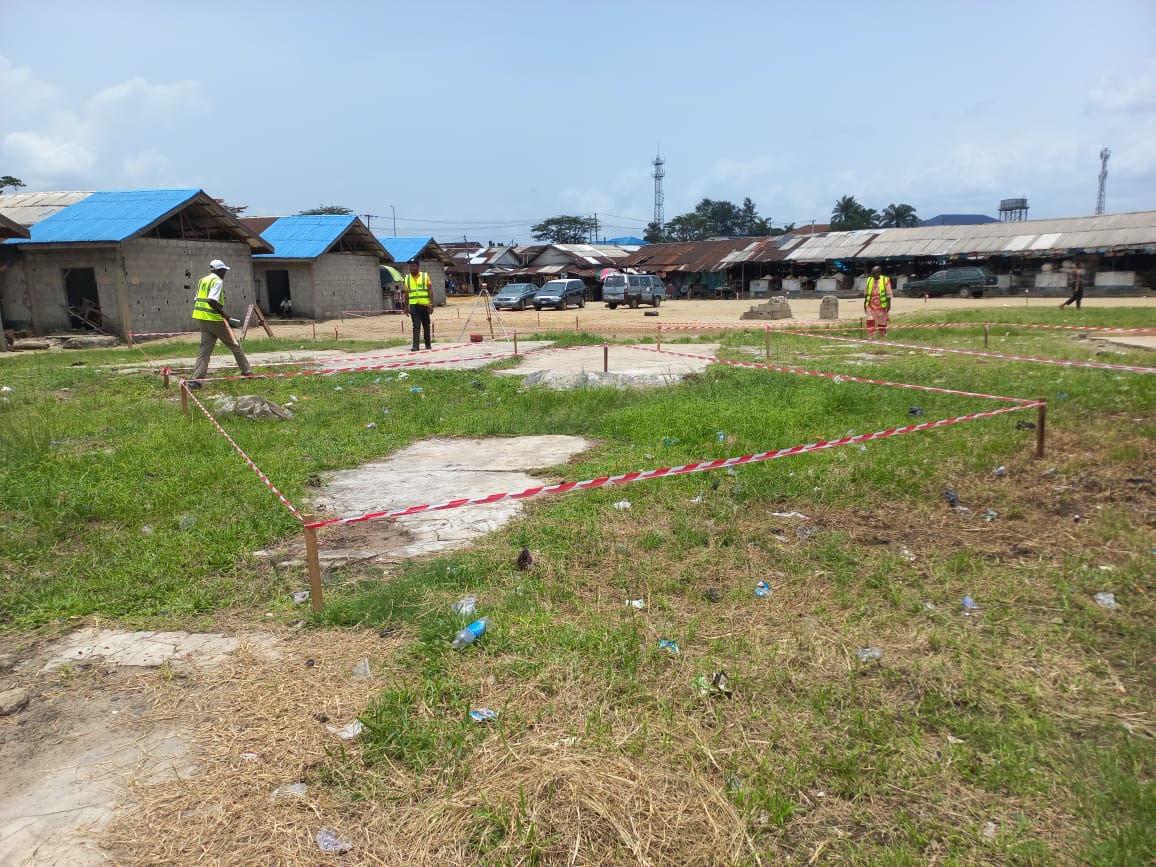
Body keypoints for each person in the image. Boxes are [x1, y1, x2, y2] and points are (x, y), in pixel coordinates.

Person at [188, 259, 254, 388]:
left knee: (204, 351)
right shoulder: (217, 281)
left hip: (201, 318)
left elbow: (197, 299)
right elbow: (211, 301)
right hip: (214, 319)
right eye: (224, 271)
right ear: (219, 270)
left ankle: (195, 381)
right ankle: (247, 372)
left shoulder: (203, 280)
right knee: (235, 345)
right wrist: (224, 314)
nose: (225, 273)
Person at [404, 260, 433, 351]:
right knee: (416, 326)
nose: (411, 268)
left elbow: (430, 290)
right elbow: (406, 293)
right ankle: (415, 345)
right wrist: (405, 307)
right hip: (414, 305)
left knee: (426, 325)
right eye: (410, 266)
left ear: (418, 266)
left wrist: (431, 304)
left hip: (424, 304)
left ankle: (428, 344)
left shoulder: (425, 276)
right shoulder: (407, 278)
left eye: (413, 266)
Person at [863, 266, 892, 339]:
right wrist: (865, 303)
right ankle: (870, 336)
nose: (872, 275)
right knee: (870, 320)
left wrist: (888, 304)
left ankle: (883, 336)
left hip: (881, 306)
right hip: (870, 305)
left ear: (878, 273)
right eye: (872, 273)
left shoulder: (885, 280)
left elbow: (888, 293)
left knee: (882, 322)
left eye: (874, 273)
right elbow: (866, 292)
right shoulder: (869, 280)